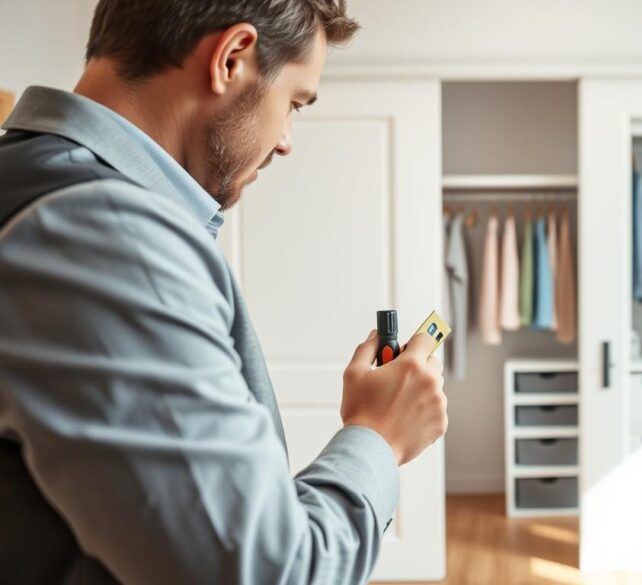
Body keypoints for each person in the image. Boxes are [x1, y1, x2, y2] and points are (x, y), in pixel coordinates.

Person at [0, 1, 448, 583]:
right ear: (231, 58)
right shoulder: (107, 233)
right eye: (293, 103)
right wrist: (378, 439)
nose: (286, 141)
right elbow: (269, 572)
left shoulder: (32, 182)